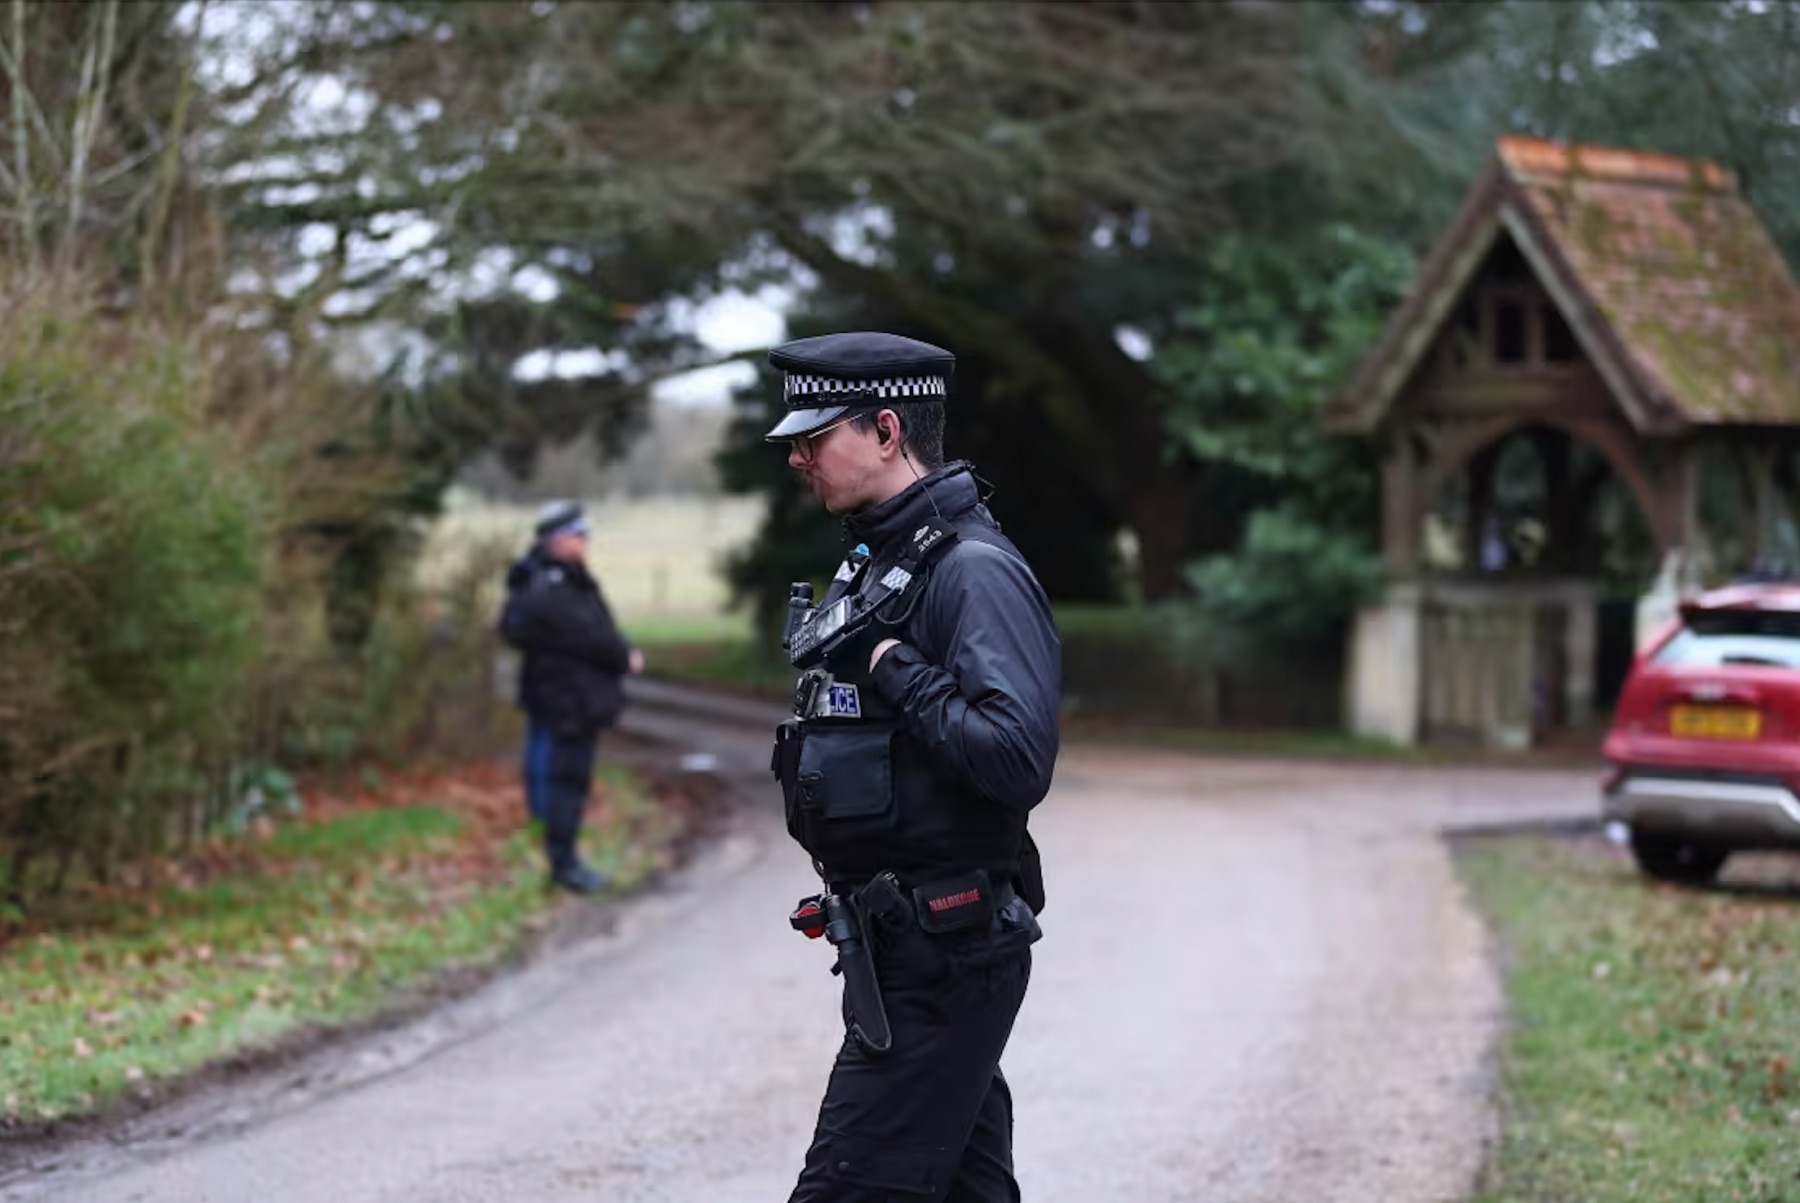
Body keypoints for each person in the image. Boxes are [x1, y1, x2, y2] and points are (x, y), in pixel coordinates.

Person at [765, 331, 1061, 1202]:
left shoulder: (971, 569)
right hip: (902, 949)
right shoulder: (887, 558)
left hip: (946, 950)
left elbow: (1015, 756)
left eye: (815, 436)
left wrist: (896, 663)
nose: (796, 455)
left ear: (887, 430)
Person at [498, 500, 644, 895]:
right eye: (579, 536)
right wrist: (622, 655)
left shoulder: (552, 579)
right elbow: (589, 635)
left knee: (568, 782)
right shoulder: (552, 587)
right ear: (559, 541)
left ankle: (567, 860)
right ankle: (565, 865)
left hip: (570, 699)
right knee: (566, 783)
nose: (585, 543)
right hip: (567, 702)